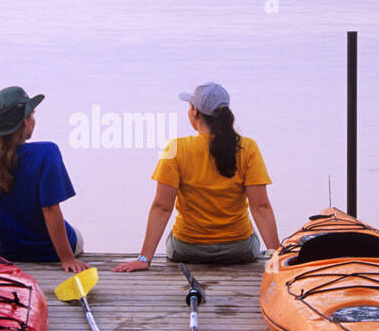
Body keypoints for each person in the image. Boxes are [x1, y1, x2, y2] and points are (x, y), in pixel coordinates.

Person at [114, 83, 281, 271]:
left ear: (194, 111)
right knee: (252, 237)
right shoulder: (247, 147)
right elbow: (261, 207)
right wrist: (276, 255)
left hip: (187, 249)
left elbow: (162, 207)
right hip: (238, 248)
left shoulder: (175, 148)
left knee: (174, 236)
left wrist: (144, 258)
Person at [0, 86, 89, 273]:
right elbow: (50, 209)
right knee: (78, 236)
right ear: (25, 122)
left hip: (2, 251)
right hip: (49, 251)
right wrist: (67, 259)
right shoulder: (47, 153)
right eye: (32, 115)